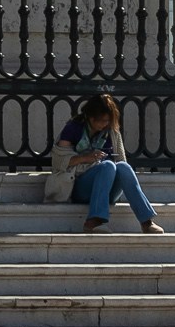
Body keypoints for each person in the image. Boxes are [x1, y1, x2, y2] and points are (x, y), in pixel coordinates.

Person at [51, 93, 162, 233]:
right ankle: (94, 221)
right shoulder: (73, 128)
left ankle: (146, 221)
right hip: (79, 186)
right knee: (107, 166)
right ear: (91, 117)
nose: (105, 124)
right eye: (102, 120)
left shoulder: (111, 131)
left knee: (123, 166)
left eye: (108, 121)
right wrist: (86, 158)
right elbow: (58, 161)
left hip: (107, 188)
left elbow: (121, 160)